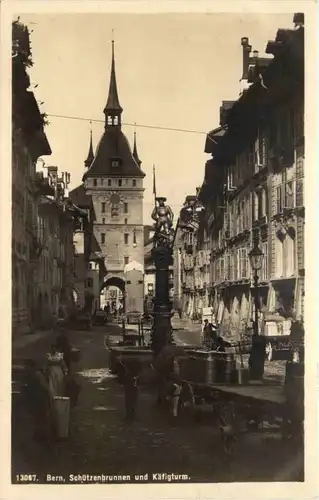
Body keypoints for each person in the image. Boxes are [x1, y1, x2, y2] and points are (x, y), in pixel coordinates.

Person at [23, 360, 53, 447]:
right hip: (35, 399)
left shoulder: (37, 374)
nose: (26, 368)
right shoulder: (30, 375)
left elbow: (45, 387)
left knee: (42, 417)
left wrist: (47, 398)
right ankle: (39, 434)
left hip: (40, 399)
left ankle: (45, 437)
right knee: (38, 417)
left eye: (27, 366)